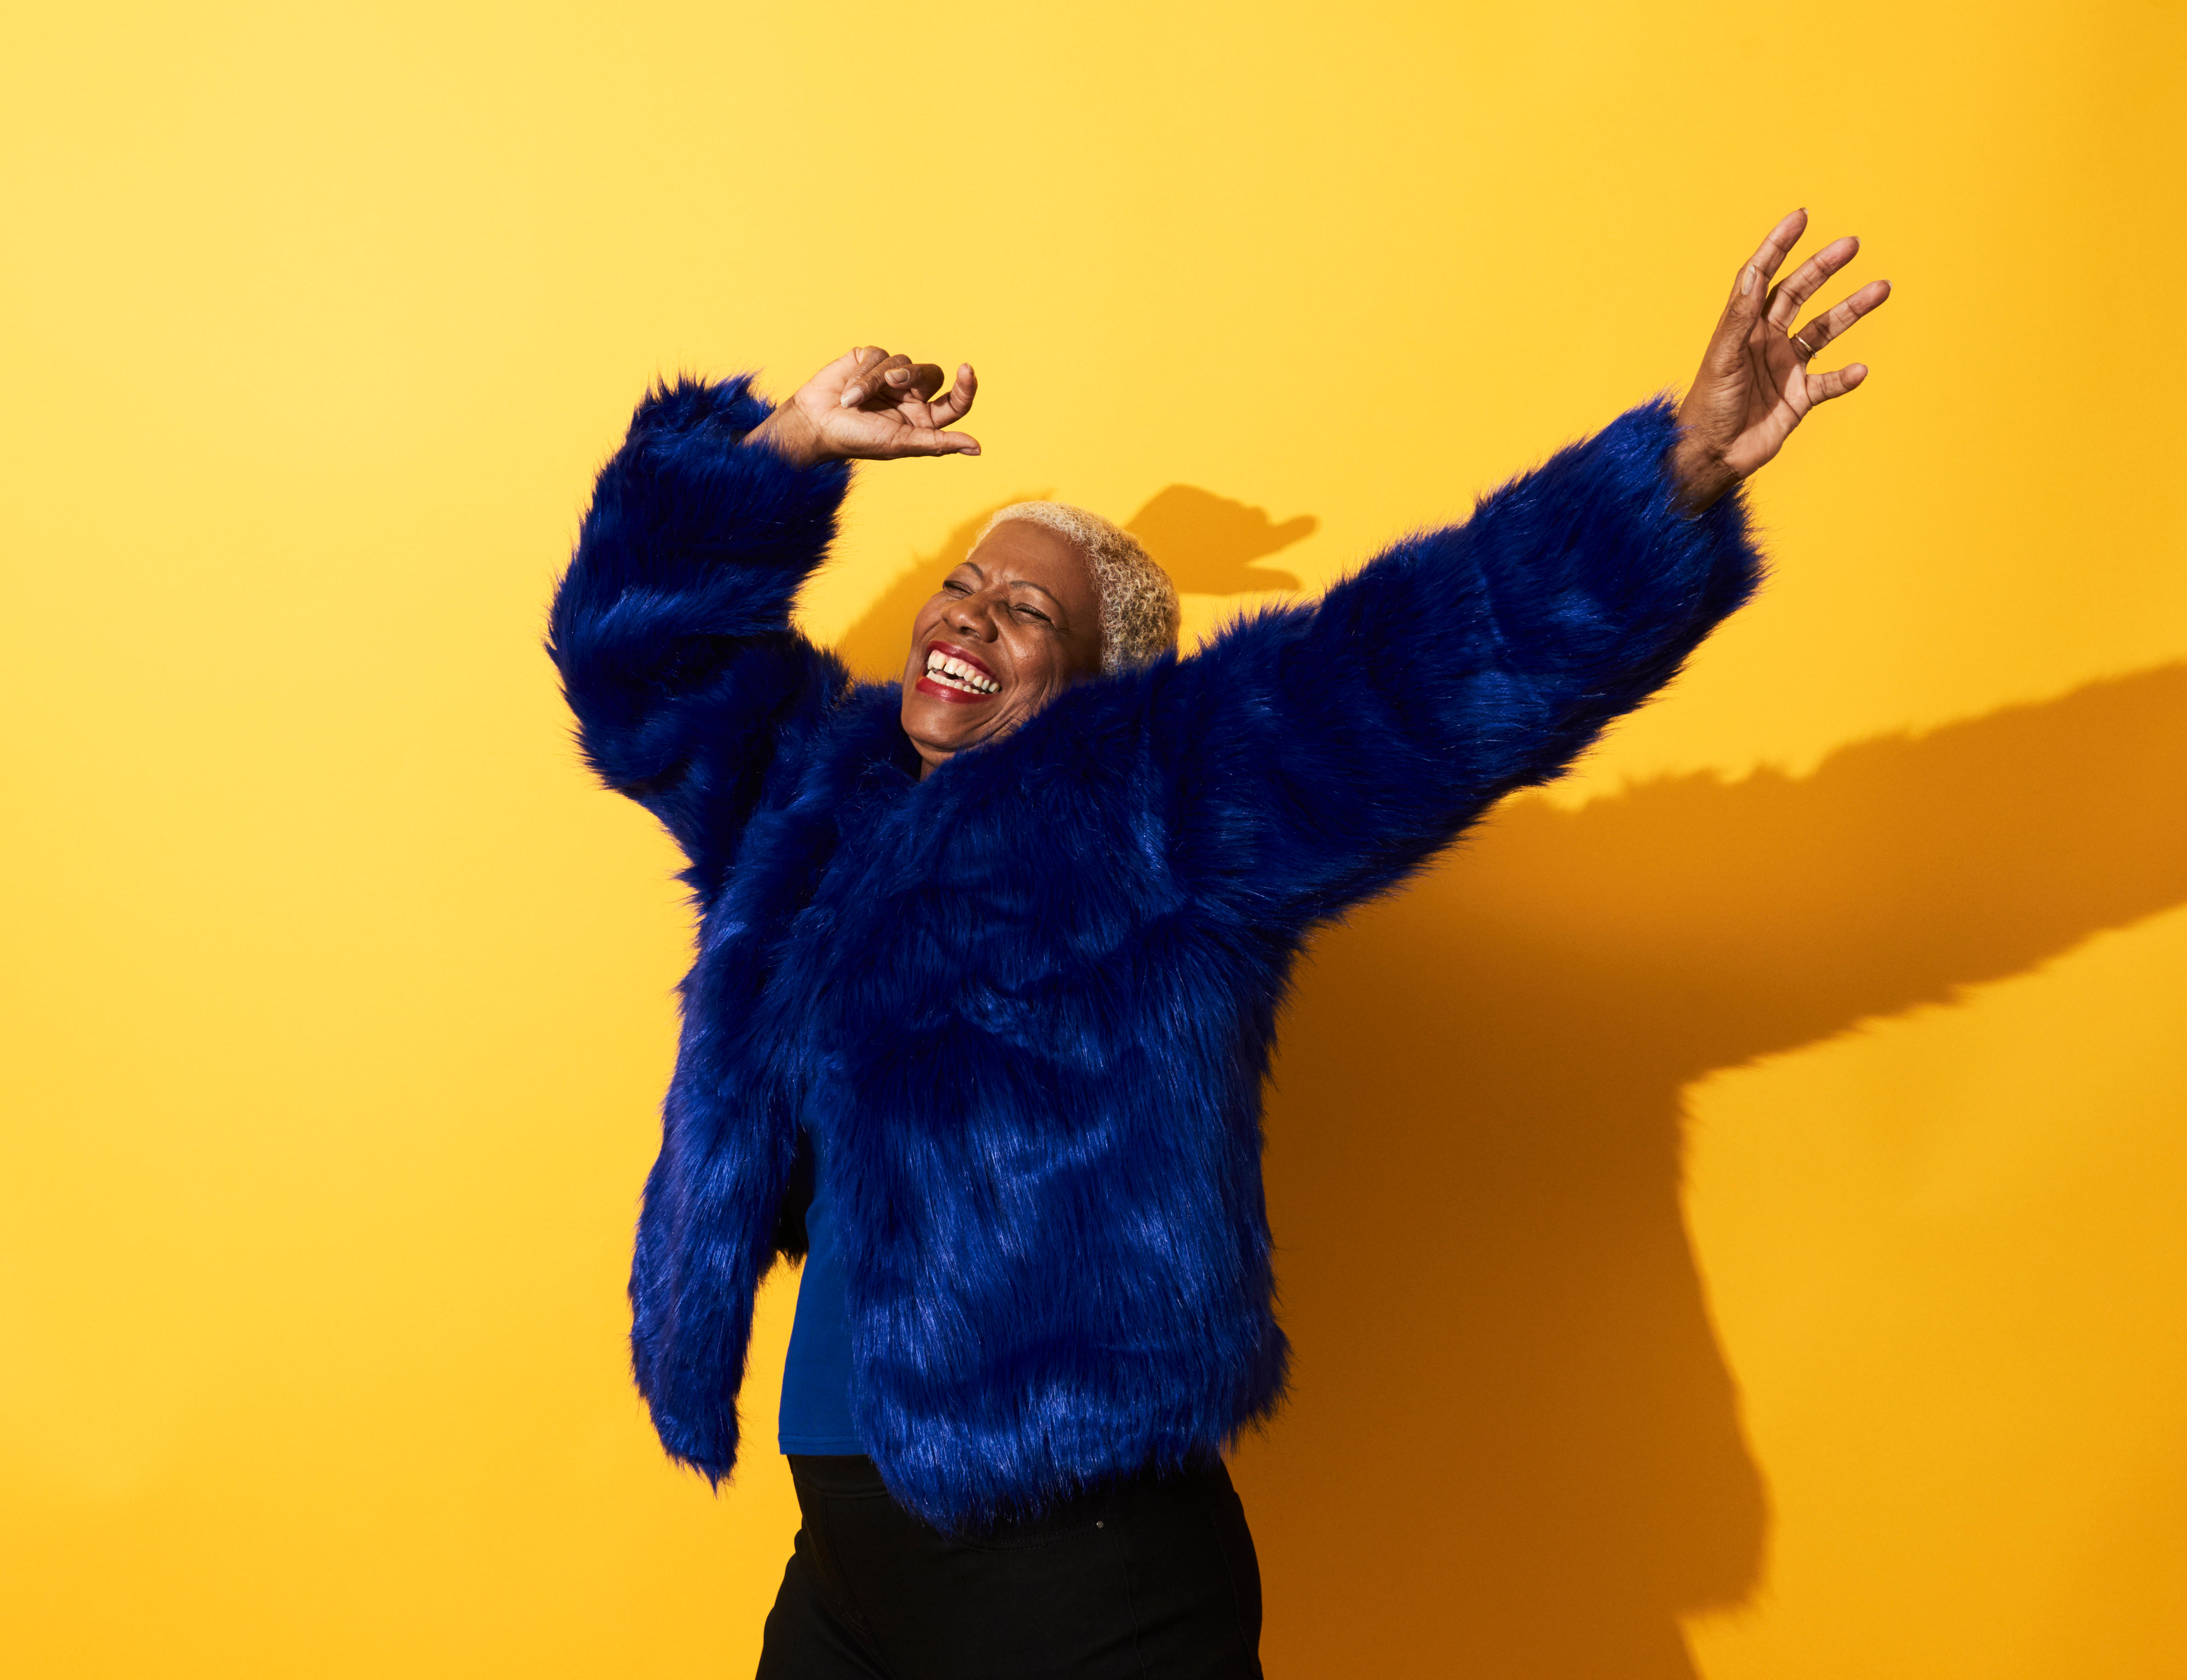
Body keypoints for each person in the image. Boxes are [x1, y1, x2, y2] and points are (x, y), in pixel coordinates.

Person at [548, 209, 1887, 1679]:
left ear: (1100, 686)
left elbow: (1413, 678)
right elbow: (632, 660)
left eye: (1025, 613)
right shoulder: (806, 798)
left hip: (1082, 1575)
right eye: (965, 587)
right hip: (850, 1570)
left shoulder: (1159, 802)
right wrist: (788, 448)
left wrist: (1677, 470)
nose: (968, 621)